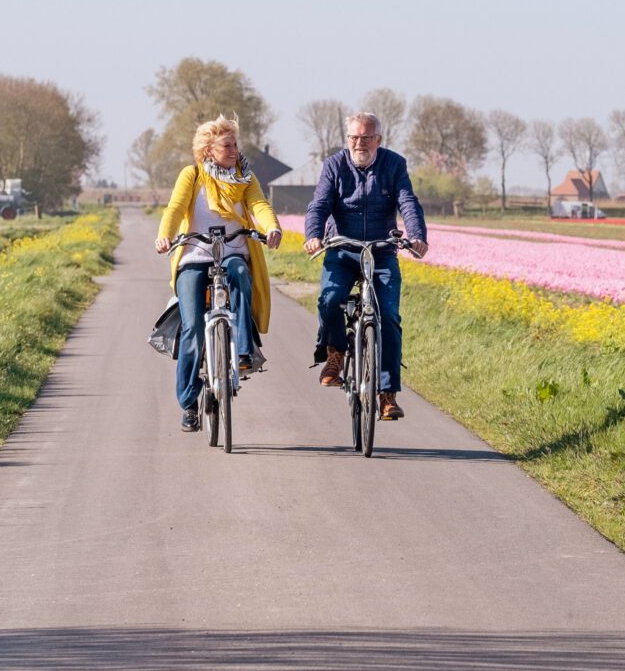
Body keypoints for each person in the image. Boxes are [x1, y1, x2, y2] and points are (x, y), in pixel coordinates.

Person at [155, 117, 282, 431]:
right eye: (227, 145)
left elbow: (259, 205)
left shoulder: (244, 177)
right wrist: (165, 235)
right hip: (194, 257)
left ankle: (242, 350)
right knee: (192, 328)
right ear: (208, 150)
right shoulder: (193, 175)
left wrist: (272, 227)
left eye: (235, 144)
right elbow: (174, 208)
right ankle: (188, 404)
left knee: (240, 273)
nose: (234, 150)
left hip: (233, 253)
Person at [303, 111, 427, 420]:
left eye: (366, 137)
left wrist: (417, 236)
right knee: (330, 299)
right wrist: (314, 235)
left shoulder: (394, 164)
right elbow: (319, 204)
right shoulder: (334, 165)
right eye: (354, 137)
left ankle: (387, 393)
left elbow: (407, 201)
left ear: (378, 140)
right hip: (342, 249)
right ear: (348, 139)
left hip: (382, 250)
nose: (360, 143)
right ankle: (334, 352)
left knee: (388, 316)